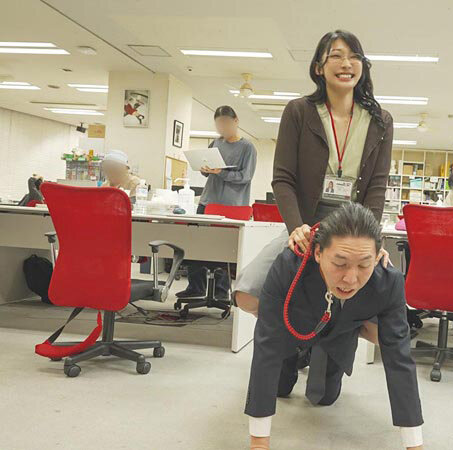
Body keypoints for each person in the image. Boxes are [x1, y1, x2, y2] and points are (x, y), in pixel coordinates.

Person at [232, 30, 393, 348]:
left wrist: (371, 239)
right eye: (336, 56)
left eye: (354, 57)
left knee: (380, 329)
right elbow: (283, 178)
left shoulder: (380, 120)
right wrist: (296, 228)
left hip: (355, 226)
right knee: (246, 294)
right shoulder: (299, 111)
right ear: (319, 67)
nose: (346, 63)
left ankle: (328, 334)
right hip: (306, 222)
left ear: (363, 66)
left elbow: (377, 186)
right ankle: (298, 334)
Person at [245, 203, 423, 450]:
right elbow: (267, 346)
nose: (350, 278)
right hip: (298, 326)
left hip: (340, 332)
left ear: (377, 256)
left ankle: (320, 355)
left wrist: (415, 446)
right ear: (318, 252)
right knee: (279, 387)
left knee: (325, 397)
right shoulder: (290, 265)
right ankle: (298, 356)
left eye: (364, 265)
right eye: (340, 263)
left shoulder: (388, 281)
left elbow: (399, 359)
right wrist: (259, 444)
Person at [175, 105, 257, 299]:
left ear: (235, 121)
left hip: (232, 205)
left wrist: (222, 172)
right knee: (196, 241)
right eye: (219, 125)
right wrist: (205, 169)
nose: (222, 128)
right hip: (208, 200)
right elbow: (208, 172)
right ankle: (196, 287)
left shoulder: (247, 147)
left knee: (223, 247)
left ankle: (221, 290)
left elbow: (245, 176)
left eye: (225, 124)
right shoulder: (215, 143)